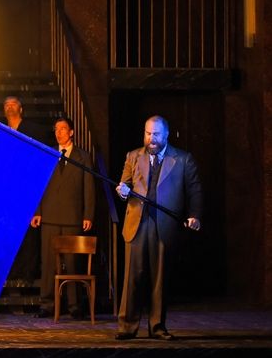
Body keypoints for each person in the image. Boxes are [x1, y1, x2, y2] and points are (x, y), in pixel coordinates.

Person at [115, 115, 202, 341]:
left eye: (155, 135)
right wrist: (122, 190)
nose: (151, 139)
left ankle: (157, 327)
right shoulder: (133, 156)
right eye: (147, 133)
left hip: (164, 225)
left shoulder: (182, 159)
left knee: (159, 279)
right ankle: (127, 326)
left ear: (166, 135)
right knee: (132, 278)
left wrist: (194, 215)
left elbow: (194, 190)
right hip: (137, 224)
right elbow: (125, 183)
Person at [30, 117, 95, 319]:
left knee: (72, 262)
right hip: (49, 215)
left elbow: (89, 188)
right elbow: (38, 185)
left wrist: (88, 214)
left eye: (63, 128)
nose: (59, 132)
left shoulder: (82, 157)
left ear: (72, 132)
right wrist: (37, 211)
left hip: (73, 216)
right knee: (48, 262)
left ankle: (74, 304)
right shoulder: (48, 154)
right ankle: (47, 303)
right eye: (56, 129)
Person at [4, 95, 47, 284]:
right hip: (8, 189)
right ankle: (13, 270)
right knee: (10, 233)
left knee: (29, 234)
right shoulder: (2, 130)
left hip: (28, 186)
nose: (10, 107)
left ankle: (30, 271)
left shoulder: (32, 130)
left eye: (14, 104)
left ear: (21, 109)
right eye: (7, 104)